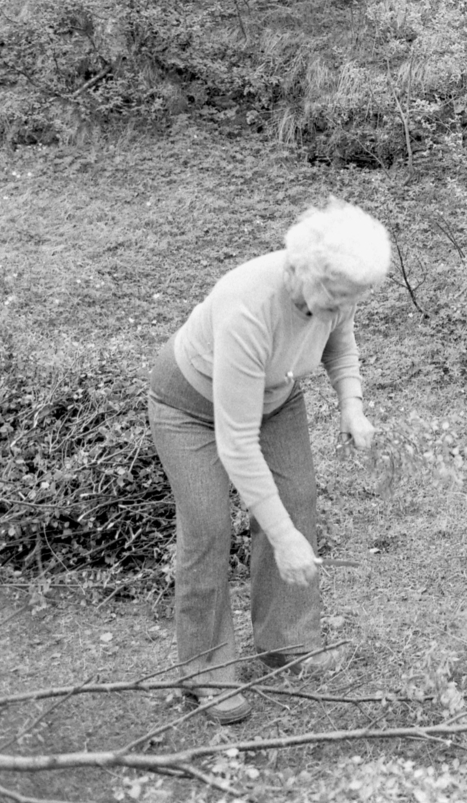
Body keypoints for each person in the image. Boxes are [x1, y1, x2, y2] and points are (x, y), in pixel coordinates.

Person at [148, 198, 390, 724]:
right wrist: (284, 539)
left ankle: (287, 643)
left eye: (352, 299)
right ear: (304, 271)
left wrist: (352, 405)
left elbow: (338, 344)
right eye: (337, 299)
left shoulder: (336, 289)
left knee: (296, 498)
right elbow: (236, 442)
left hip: (274, 396)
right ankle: (205, 672)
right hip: (190, 407)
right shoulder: (248, 307)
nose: (343, 308)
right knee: (208, 527)